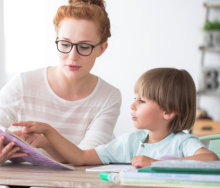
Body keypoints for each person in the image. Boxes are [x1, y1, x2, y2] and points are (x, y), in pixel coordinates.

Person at [13, 68, 219, 168]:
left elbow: (211, 160)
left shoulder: (182, 142)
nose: (133, 105)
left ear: (168, 111)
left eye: (142, 101)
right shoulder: (130, 142)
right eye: (134, 98)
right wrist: (48, 136)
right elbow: (81, 158)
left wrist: (154, 163)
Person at [0, 0, 121, 163]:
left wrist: (47, 141)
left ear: (101, 49)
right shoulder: (23, 83)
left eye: (84, 47)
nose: (72, 56)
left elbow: (85, 157)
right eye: (65, 44)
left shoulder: (108, 96)